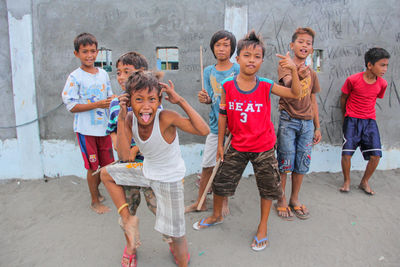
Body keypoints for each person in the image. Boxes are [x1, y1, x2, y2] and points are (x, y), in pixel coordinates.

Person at [193, 30, 301, 252]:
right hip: (236, 146)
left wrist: (293, 71)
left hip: (264, 147)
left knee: (268, 189)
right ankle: (216, 215)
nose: (252, 60)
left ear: (261, 60)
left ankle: (262, 227)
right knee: (221, 183)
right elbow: (223, 115)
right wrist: (221, 145)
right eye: (247, 55)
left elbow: (295, 94)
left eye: (257, 56)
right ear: (238, 58)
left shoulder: (265, 85)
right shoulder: (228, 87)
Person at [101, 71, 209, 267]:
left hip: (169, 180)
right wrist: (122, 115)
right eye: (139, 99)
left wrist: (180, 101)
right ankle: (129, 221)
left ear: (159, 100)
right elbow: (124, 157)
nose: (145, 106)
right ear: (129, 101)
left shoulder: (165, 117)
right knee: (106, 174)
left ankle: (182, 260)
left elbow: (204, 130)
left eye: (151, 99)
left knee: (177, 236)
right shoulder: (129, 118)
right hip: (146, 172)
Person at [102, 52, 160, 267]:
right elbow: (111, 130)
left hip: (150, 164)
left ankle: (173, 241)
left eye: (127, 72)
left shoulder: (154, 102)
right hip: (127, 167)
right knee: (129, 209)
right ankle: (131, 246)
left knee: (159, 208)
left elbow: (158, 132)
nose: (121, 76)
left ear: (141, 75)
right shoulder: (115, 104)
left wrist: (135, 148)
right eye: (118, 72)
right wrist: (118, 142)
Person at [185, 30, 240, 215]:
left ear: (232, 48)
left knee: (226, 168)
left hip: (234, 129)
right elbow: (211, 99)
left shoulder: (238, 69)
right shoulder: (208, 71)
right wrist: (205, 99)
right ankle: (201, 201)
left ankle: (223, 201)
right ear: (212, 48)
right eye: (218, 45)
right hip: (215, 126)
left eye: (226, 45)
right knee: (208, 165)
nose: (222, 49)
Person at [61, 32, 115, 214]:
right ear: (77, 54)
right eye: (85, 51)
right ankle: (95, 201)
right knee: (93, 167)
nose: (90, 55)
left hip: (105, 129)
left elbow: (109, 96)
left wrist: (116, 100)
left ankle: (101, 193)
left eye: (93, 51)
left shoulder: (103, 75)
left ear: (97, 52)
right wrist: (97, 104)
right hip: (86, 131)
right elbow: (71, 105)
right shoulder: (75, 77)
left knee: (106, 166)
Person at [275, 27, 322, 221]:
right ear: (292, 45)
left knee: (302, 163)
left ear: (312, 49)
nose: (304, 45)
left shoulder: (312, 72)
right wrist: (296, 71)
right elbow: (288, 85)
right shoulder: (285, 65)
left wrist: (317, 126)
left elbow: (312, 100)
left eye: (308, 43)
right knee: (285, 162)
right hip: (288, 121)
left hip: (307, 124)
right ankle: (282, 199)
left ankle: (294, 199)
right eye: (301, 42)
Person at [339, 47, 390, 195]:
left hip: (369, 121)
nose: (385, 69)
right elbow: (343, 97)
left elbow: (375, 98)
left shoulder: (382, 84)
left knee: (376, 155)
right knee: (347, 154)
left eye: (386, 65)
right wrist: (346, 115)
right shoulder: (353, 80)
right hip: (352, 120)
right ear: (369, 65)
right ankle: (347, 181)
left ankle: (364, 181)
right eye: (382, 65)